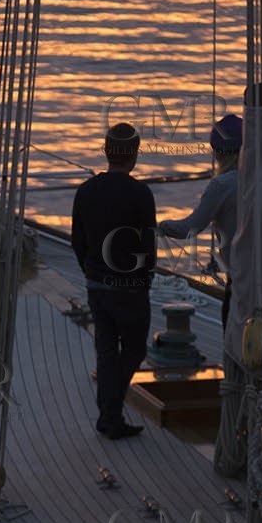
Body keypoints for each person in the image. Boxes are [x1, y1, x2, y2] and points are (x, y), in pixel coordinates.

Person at [71, 122, 157, 441]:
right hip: (131, 287)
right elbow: (148, 245)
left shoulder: (86, 191)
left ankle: (110, 414)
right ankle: (110, 412)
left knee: (106, 351)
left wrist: (89, 271)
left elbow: (77, 240)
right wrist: (146, 276)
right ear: (133, 155)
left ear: (106, 152)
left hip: (98, 284)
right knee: (133, 350)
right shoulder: (140, 194)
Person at [158, 113, 242, 327]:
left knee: (235, 334)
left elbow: (189, 229)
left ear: (217, 152)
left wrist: (160, 226)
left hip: (240, 280)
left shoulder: (221, 185)